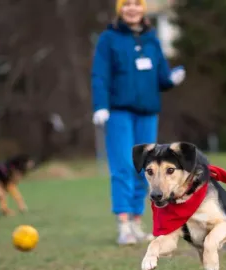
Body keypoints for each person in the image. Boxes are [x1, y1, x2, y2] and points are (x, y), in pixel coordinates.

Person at [91, 0, 186, 245]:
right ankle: (123, 225)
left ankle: (136, 221)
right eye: (126, 4)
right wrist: (100, 105)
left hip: (148, 113)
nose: (132, 8)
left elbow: (161, 76)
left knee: (146, 169)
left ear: (143, 8)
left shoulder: (152, 39)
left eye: (136, 3)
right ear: (119, 9)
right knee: (123, 166)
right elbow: (99, 75)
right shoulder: (108, 39)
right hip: (119, 113)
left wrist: (172, 79)